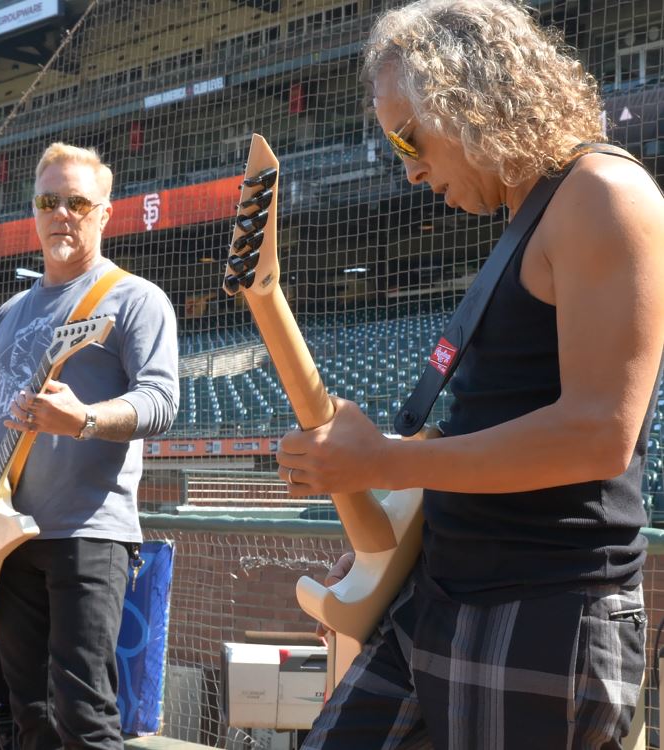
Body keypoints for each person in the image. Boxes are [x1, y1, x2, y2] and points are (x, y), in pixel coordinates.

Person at [276, 1, 664, 748]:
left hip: (540, 609)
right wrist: (388, 525)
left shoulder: (603, 195)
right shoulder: (534, 210)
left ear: (469, 96)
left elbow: (598, 435)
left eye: (408, 136)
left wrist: (384, 459)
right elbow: (495, 419)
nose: (409, 168)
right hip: (442, 593)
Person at [0, 142, 179, 749]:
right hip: (3, 536)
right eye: (49, 201)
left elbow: (161, 403)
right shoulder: (9, 312)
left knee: (84, 714)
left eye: (77, 201)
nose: (62, 213)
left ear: (104, 213)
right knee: (31, 715)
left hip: (89, 535)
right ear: (34, 212)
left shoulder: (134, 299)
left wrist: (84, 420)